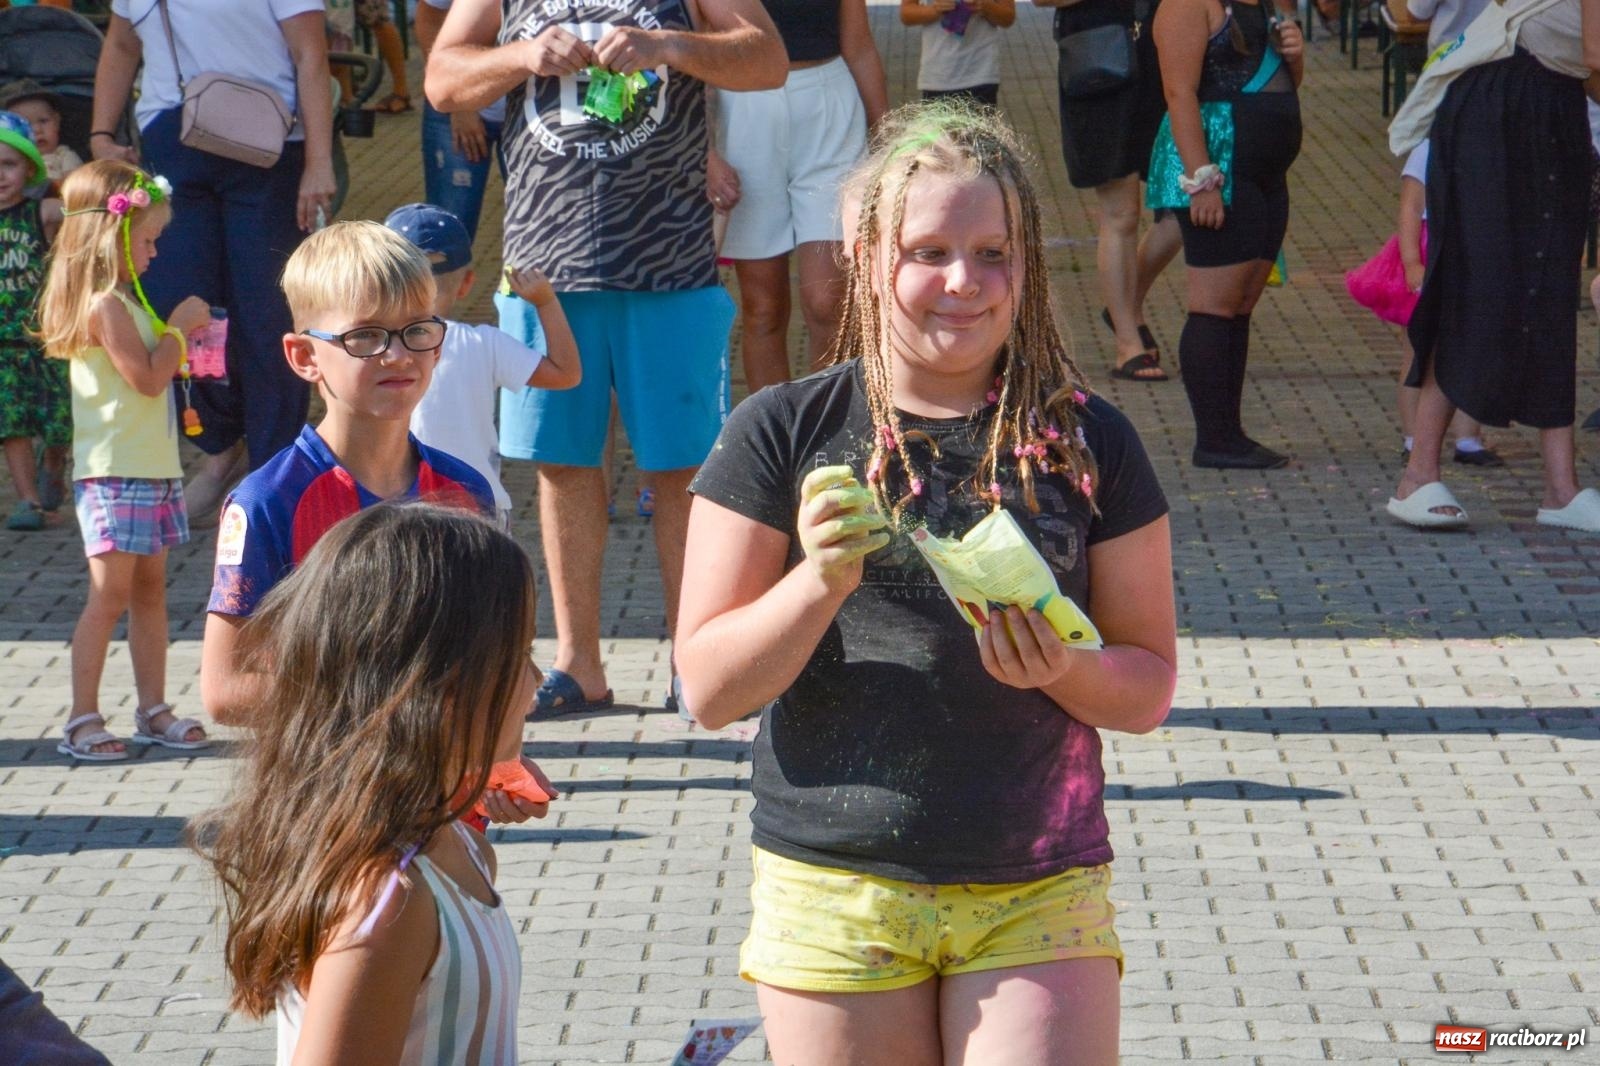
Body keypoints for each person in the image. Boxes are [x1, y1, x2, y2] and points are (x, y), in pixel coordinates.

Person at [677, 104, 1177, 1065]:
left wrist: (1062, 672)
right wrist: (815, 584)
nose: (965, 282)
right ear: (866, 257)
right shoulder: (780, 430)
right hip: (836, 888)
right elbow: (708, 687)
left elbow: (1148, 684)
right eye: (929, 251)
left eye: (994, 252)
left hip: (1038, 883)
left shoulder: (1088, 438)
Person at [427, 0, 786, 716]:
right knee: (562, 464)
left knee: (684, 468)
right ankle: (579, 665)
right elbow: (442, 80)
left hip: (670, 263)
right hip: (545, 269)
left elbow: (766, 61)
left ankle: (695, 660)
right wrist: (522, 57)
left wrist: (668, 46)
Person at [192, 504, 556, 1065]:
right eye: (522, 654)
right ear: (442, 685)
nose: (536, 682)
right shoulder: (387, 905)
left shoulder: (461, 849)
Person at [200, 221, 495, 726]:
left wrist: (500, 756)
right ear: (304, 356)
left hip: (449, 798)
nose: (398, 354)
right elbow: (226, 690)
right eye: (365, 336)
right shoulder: (268, 502)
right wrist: (392, 702)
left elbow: (493, 658)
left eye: (417, 330)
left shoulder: (466, 492)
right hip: (329, 797)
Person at [91, 0, 337, 526]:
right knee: (184, 303)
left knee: (268, 312)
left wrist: (319, 162)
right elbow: (119, 44)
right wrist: (99, 136)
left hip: (271, 146)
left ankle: (275, 466)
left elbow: (311, 56)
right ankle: (220, 447)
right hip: (171, 138)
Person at [1388, 0, 1600, 531]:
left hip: (1555, 101)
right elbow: (1598, 52)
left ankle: (1561, 489)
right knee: (1485, 289)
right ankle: (1417, 476)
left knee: (1550, 294)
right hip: (1500, 105)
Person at [38, 161, 213, 760]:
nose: (155, 252)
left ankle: (153, 708)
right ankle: (82, 718)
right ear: (112, 237)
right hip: (114, 471)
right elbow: (145, 378)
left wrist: (175, 337)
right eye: (147, 240)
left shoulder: (126, 304)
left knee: (150, 591)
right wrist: (181, 330)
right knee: (108, 593)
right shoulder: (104, 306)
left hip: (151, 467)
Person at [1152, 0, 1304, 468]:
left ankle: (1228, 431)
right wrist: (1202, 180)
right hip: (1219, 170)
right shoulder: (1185, 5)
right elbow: (1179, 93)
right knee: (1215, 307)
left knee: (1239, 306)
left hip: (1264, 172)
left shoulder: (1265, 4)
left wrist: (1295, 56)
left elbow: (1285, 84)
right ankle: (1214, 440)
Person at [716, 1, 887, 394]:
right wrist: (706, 148)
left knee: (830, 303)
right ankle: (777, 442)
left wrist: (886, 139)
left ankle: (829, 438)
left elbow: (859, 45)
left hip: (829, 112)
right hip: (743, 111)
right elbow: (699, 41)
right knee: (762, 308)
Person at [385, 202, 582, 529]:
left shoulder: (369, 348)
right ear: (467, 284)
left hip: (395, 509)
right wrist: (546, 302)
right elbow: (567, 373)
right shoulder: (484, 344)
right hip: (477, 509)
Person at [1034, 0, 1181, 382]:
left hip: (1162, 55)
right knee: (1122, 212)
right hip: (1099, 57)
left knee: (1182, 209)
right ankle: (1127, 344)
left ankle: (1123, 307)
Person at [1344, 139, 1501, 467]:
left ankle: (1468, 437)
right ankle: (1413, 435)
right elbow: (1411, 208)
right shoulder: (1429, 148)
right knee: (1417, 353)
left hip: (1474, 254)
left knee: (1472, 348)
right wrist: (1412, 261)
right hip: (1432, 254)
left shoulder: (1492, 145)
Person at [0, 111, 68, 533]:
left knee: (61, 420)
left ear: (29, 167)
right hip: (2, 347)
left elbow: (83, 207)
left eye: (8, 164)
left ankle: (55, 462)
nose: (0, 175)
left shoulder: (40, 212)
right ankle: (28, 500)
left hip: (45, 339)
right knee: (13, 425)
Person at [416, 0, 507, 243]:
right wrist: (459, 102)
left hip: (534, 108)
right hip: (459, 105)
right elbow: (429, 19)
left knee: (539, 222)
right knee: (448, 230)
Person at [900, 0, 1017, 110]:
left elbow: (1008, 17)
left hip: (981, 73)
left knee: (978, 131)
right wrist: (935, 10)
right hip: (938, 75)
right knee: (940, 131)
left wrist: (985, 6)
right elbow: (906, 14)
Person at [0, 81, 83, 194]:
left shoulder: (63, 155)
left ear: (57, 122)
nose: (37, 130)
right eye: (25, 124)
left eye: (43, 121)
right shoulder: (8, 160)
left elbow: (76, 187)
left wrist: (48, 186)